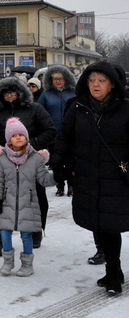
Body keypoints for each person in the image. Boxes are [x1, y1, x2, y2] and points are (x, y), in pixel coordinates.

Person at [52, 62, 129, 295]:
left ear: (112, 85)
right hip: (86, 175)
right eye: (92, 80)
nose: (96, 85)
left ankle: (114, 275)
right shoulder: (77, 107)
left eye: (102, 80)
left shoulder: (126, 109)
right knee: (98, 224)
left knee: (110, 226)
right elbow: (64, 137)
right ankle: (113, 271)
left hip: (115, 177)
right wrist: (58, 163)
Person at [0, 77, 56, 256]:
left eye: (12, 92)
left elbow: (50, 130)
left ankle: (36, 230)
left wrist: (31, 145)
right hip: (7, 163)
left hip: (31, 160)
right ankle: (2, 241)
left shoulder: (34, 109)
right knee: (3, 202)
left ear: (20, 93)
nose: (9, 96)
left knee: (36, 198)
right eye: (5, 93)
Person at [0, 118, 56, 277]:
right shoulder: (2, 159)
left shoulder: (35, 158)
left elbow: (43, 179)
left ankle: (27, 264)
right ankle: (8, 261)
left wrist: (58, 177)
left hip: (28, 202)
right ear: (9, 139)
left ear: (27, 138)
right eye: (14, 135)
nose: (18, 137)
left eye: (22, 134)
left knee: (26, 234)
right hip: (7, 202)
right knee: (5, 233)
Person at [37, 65, 77, 197]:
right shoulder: (46, 94)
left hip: (70, 134)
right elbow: (39, 111)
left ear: (66, 79)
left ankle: (71, 185)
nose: (58, 81)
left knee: (70, 161)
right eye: (55, 79)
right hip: (53, 134)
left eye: (61, 79)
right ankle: (60, 185)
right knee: (56, 162)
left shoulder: (73, 92)